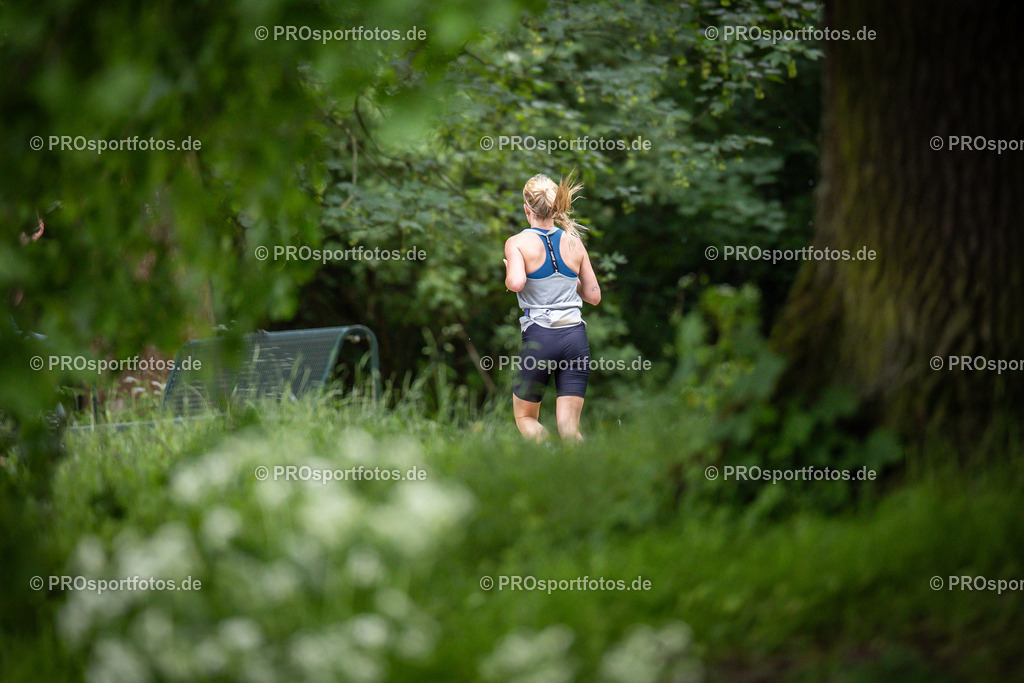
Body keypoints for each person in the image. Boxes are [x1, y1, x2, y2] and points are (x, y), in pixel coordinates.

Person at [503, 171, 600, 442]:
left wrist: (511, 267)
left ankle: (548, 462)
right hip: (575, 338)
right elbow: (593, 295)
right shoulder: (574, 242)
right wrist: (569, 284)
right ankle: (582, 475)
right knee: (570, 429)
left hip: (541, 337)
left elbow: (517, 283)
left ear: (526, 209)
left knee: (525, 417)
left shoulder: (517, 243)